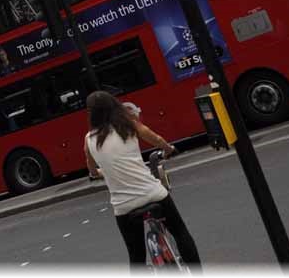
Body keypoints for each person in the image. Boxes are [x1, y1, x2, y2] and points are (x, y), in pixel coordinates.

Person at [83, 91, 201, 268]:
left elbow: (92, 169)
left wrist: (100, 173)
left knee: (136, 256)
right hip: (153, 194)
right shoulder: (128, 125)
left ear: (90, 113)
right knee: (180, 232)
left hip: (124, 206)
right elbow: (157, 140)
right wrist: (168, 150)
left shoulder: (89, 139)